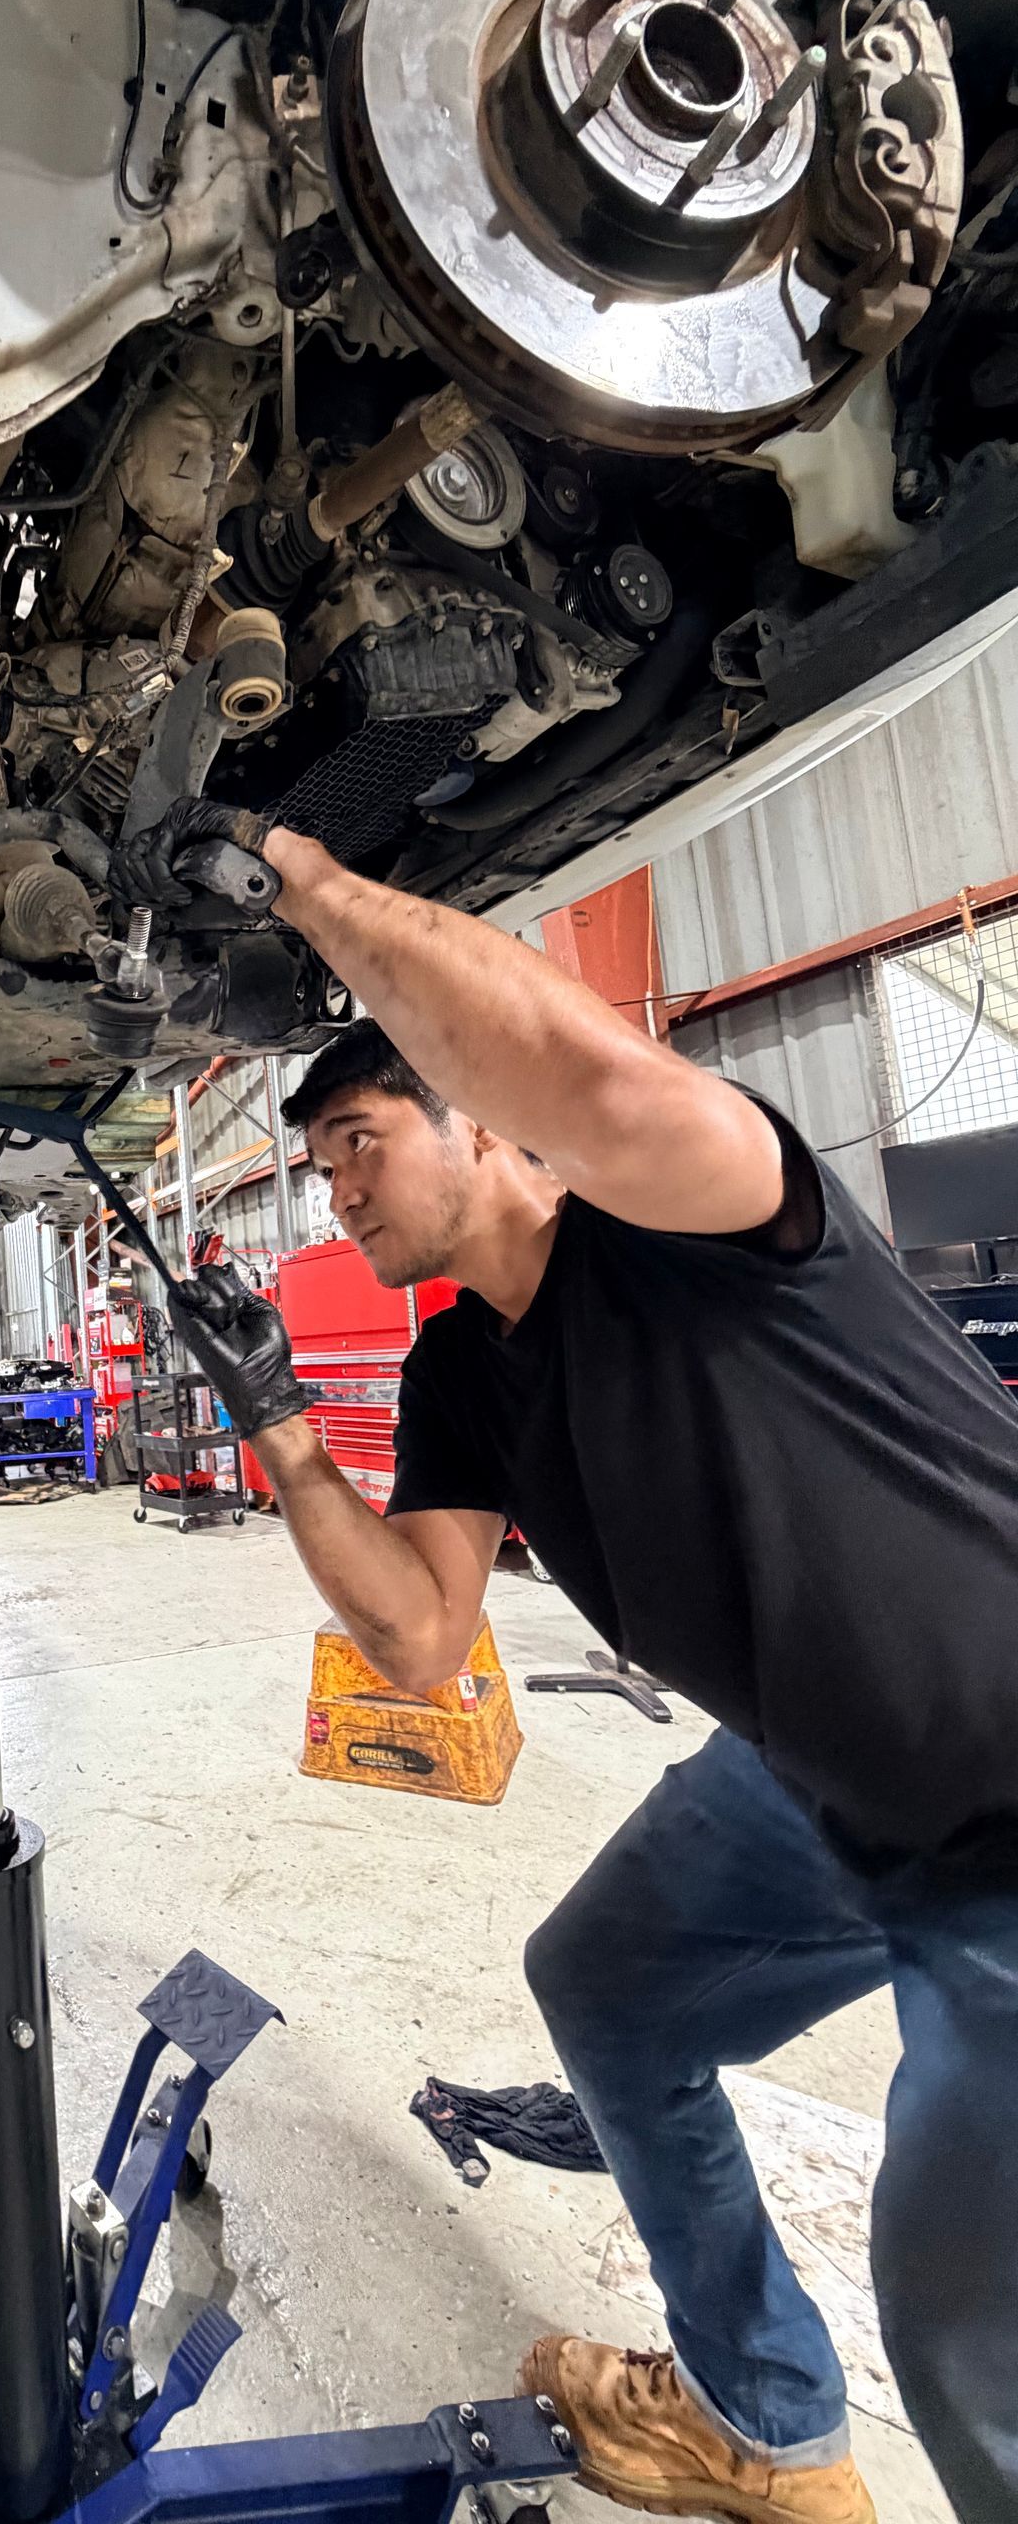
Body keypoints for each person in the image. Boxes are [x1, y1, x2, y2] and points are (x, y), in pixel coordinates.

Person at [116, 796, 1018, 2524]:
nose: (337, 1186)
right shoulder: (465, 1369)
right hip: (814, 1777)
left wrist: (300, 885)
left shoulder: (695, 1215)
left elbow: (591, 1079)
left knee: (976, 2328)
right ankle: (762, 2417)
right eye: (318, 1168)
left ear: (486, 1130)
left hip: (1004, 1785)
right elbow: (422, 1635)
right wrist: (279, 1420)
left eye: (364, 1138)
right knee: (611, 1987)